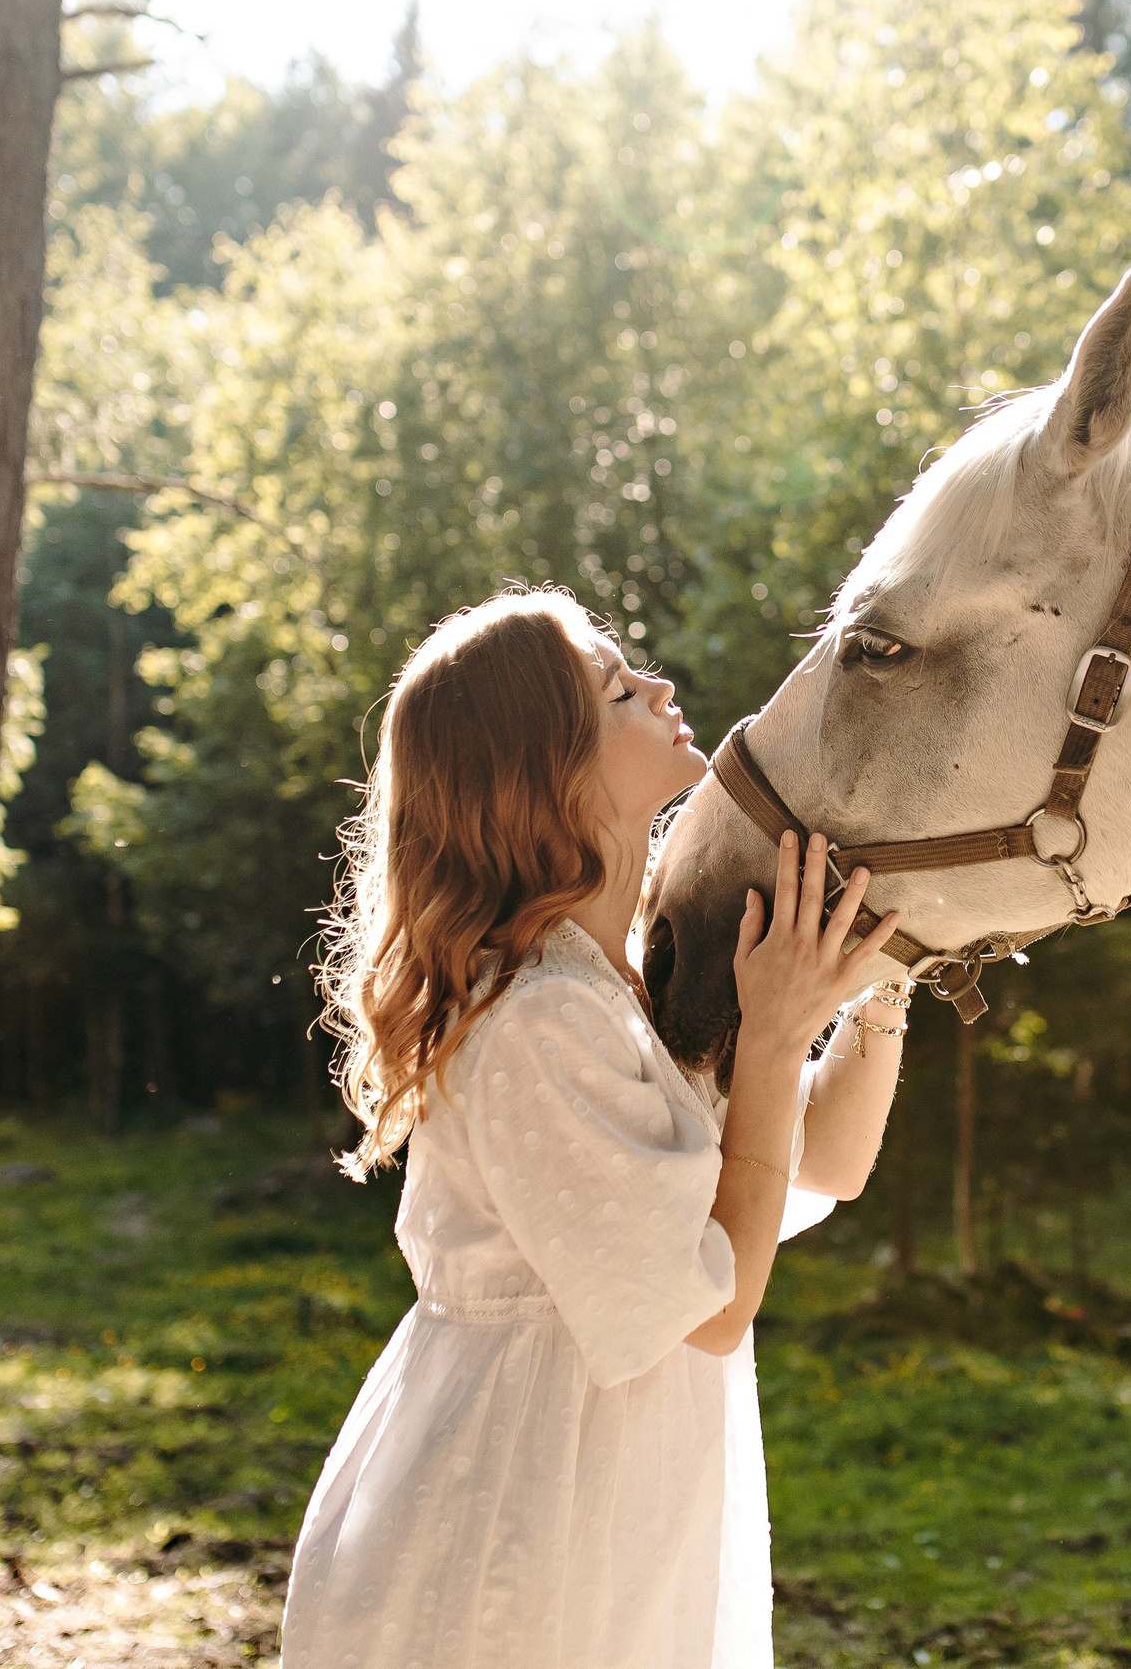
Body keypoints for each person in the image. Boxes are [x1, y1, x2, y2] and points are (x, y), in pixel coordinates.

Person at [280, 589, 914, 1669]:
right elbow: (710, 1305)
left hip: (622, 1498)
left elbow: (831, 1159)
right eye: (617, 691)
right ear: (545, 776)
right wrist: (770, 1040)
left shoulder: (626, 988)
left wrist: (889, 971)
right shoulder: (535, 1020)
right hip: (520, 1515)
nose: (659, 688)